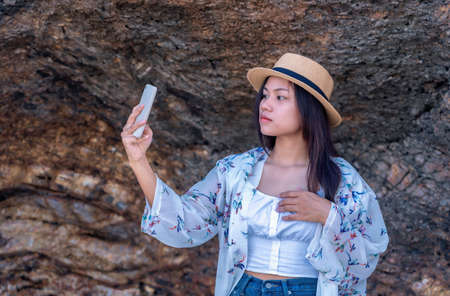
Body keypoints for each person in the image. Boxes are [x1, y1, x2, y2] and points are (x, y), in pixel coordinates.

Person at [121, 53, 389, 296]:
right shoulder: (236, 170)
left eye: (280, 97)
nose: (265, 104)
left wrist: (328, 216)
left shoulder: (343, 180)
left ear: (309, 110)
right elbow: (185, 223)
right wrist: (138, 160)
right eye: (265, 95)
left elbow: (366, 261)